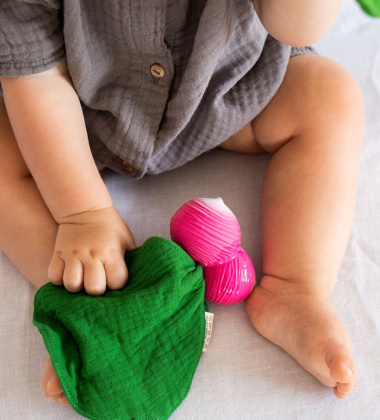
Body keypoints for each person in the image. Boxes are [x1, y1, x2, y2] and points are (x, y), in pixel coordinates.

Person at [0, 0, 364, 406]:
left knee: (330, 97)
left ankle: (296, 288)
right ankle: (90, 312)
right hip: (76, 113)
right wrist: (83, 213)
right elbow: (36, 74)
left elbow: (296, 28)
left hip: (225, 90)